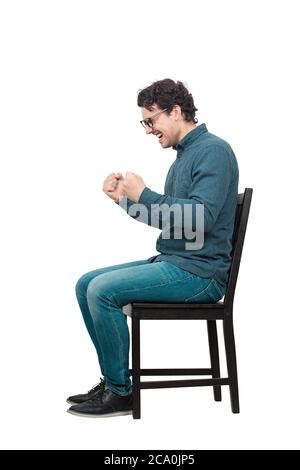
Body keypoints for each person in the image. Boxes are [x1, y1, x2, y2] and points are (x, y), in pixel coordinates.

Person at [67, 78, 239, 417]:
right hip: (178, 261)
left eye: (151, 120)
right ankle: (114, 380)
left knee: (101, 290)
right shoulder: (185, 157)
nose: (148, 129)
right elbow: (173, 219)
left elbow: (200, 218)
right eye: (145, 122)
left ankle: (120, 393)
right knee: (86, 283)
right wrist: (124, 201)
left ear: (175, 111)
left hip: (201, 274)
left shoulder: (214, 151)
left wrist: (144, 194)